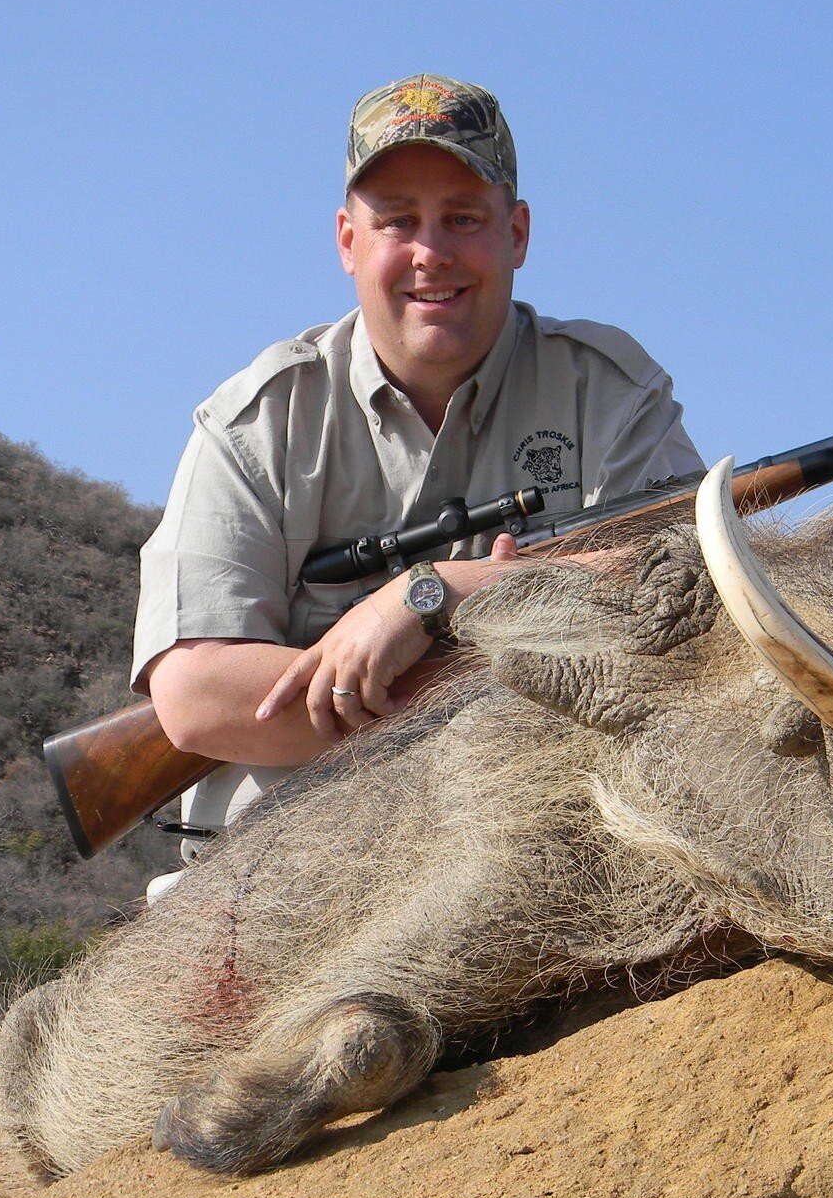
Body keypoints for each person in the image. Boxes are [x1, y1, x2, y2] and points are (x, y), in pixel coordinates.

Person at [133, 75, 704, 890]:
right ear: (347, 241)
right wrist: (498, 666)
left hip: (546, 850)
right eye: (397, 220)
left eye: (463, 219)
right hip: (283, 872)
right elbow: (194, 696)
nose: (430, 253)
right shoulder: (256, 421)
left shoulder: (612, 389)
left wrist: (442, 595)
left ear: (517, 232)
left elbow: (683, 584)